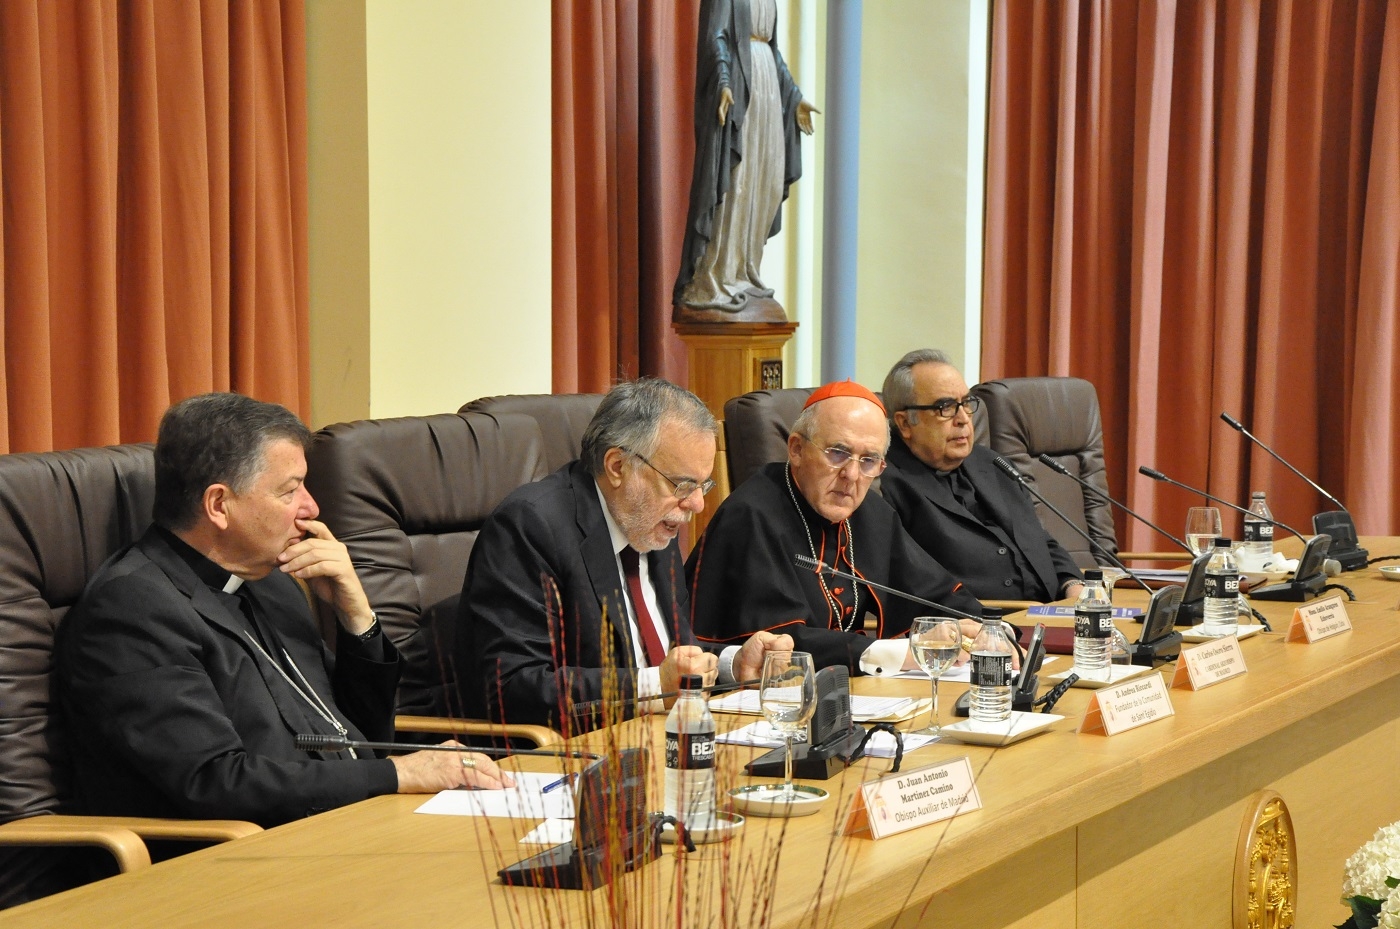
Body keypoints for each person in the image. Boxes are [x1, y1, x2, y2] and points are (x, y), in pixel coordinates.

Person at [57, 393, 511, 830]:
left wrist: (356, 619)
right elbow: (215, 782)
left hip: (343, 824)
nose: (311, 508)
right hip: (230, 863)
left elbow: (358, 729)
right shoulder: (132, 610)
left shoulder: (273, 583)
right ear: (219, 505)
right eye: (290, 491)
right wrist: (401, 775)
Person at [457, 379, 791, 731]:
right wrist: (653, 687)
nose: (697, 504)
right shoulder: (531, 527)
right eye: (682, 484)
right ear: (617, 466)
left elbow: (670, 651)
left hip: (660, 739)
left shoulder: (649, 522)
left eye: (701, 485)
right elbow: (511, 688)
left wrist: (733, 664)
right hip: (575, 756)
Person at [686, 380, 983, 673]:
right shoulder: (752, 515)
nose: (852, 475)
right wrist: (907, 651)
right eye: (838, 453)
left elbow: (940, 596)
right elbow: (781, 647)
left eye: (869, 460)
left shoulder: (869, 513)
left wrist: (980, 633)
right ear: (797, 449)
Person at [880, 349, 1084, 602]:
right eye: (945, 407)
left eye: (965, 403)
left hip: (1050, 618)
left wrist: (1072, 584)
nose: (964, 419)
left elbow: (1038, 540)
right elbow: (912, 584)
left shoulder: (992, 463)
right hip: (975, 628)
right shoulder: (886, 484)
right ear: (904, 423)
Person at [673, 0, 818, 317]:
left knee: (762, 179)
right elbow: (715, 37)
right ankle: (719, 274)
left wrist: (793, 95)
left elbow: (773, 51)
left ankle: (744, 269)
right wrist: (723, 82)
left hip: (768, 90)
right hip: (741, 87)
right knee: (737, 179)